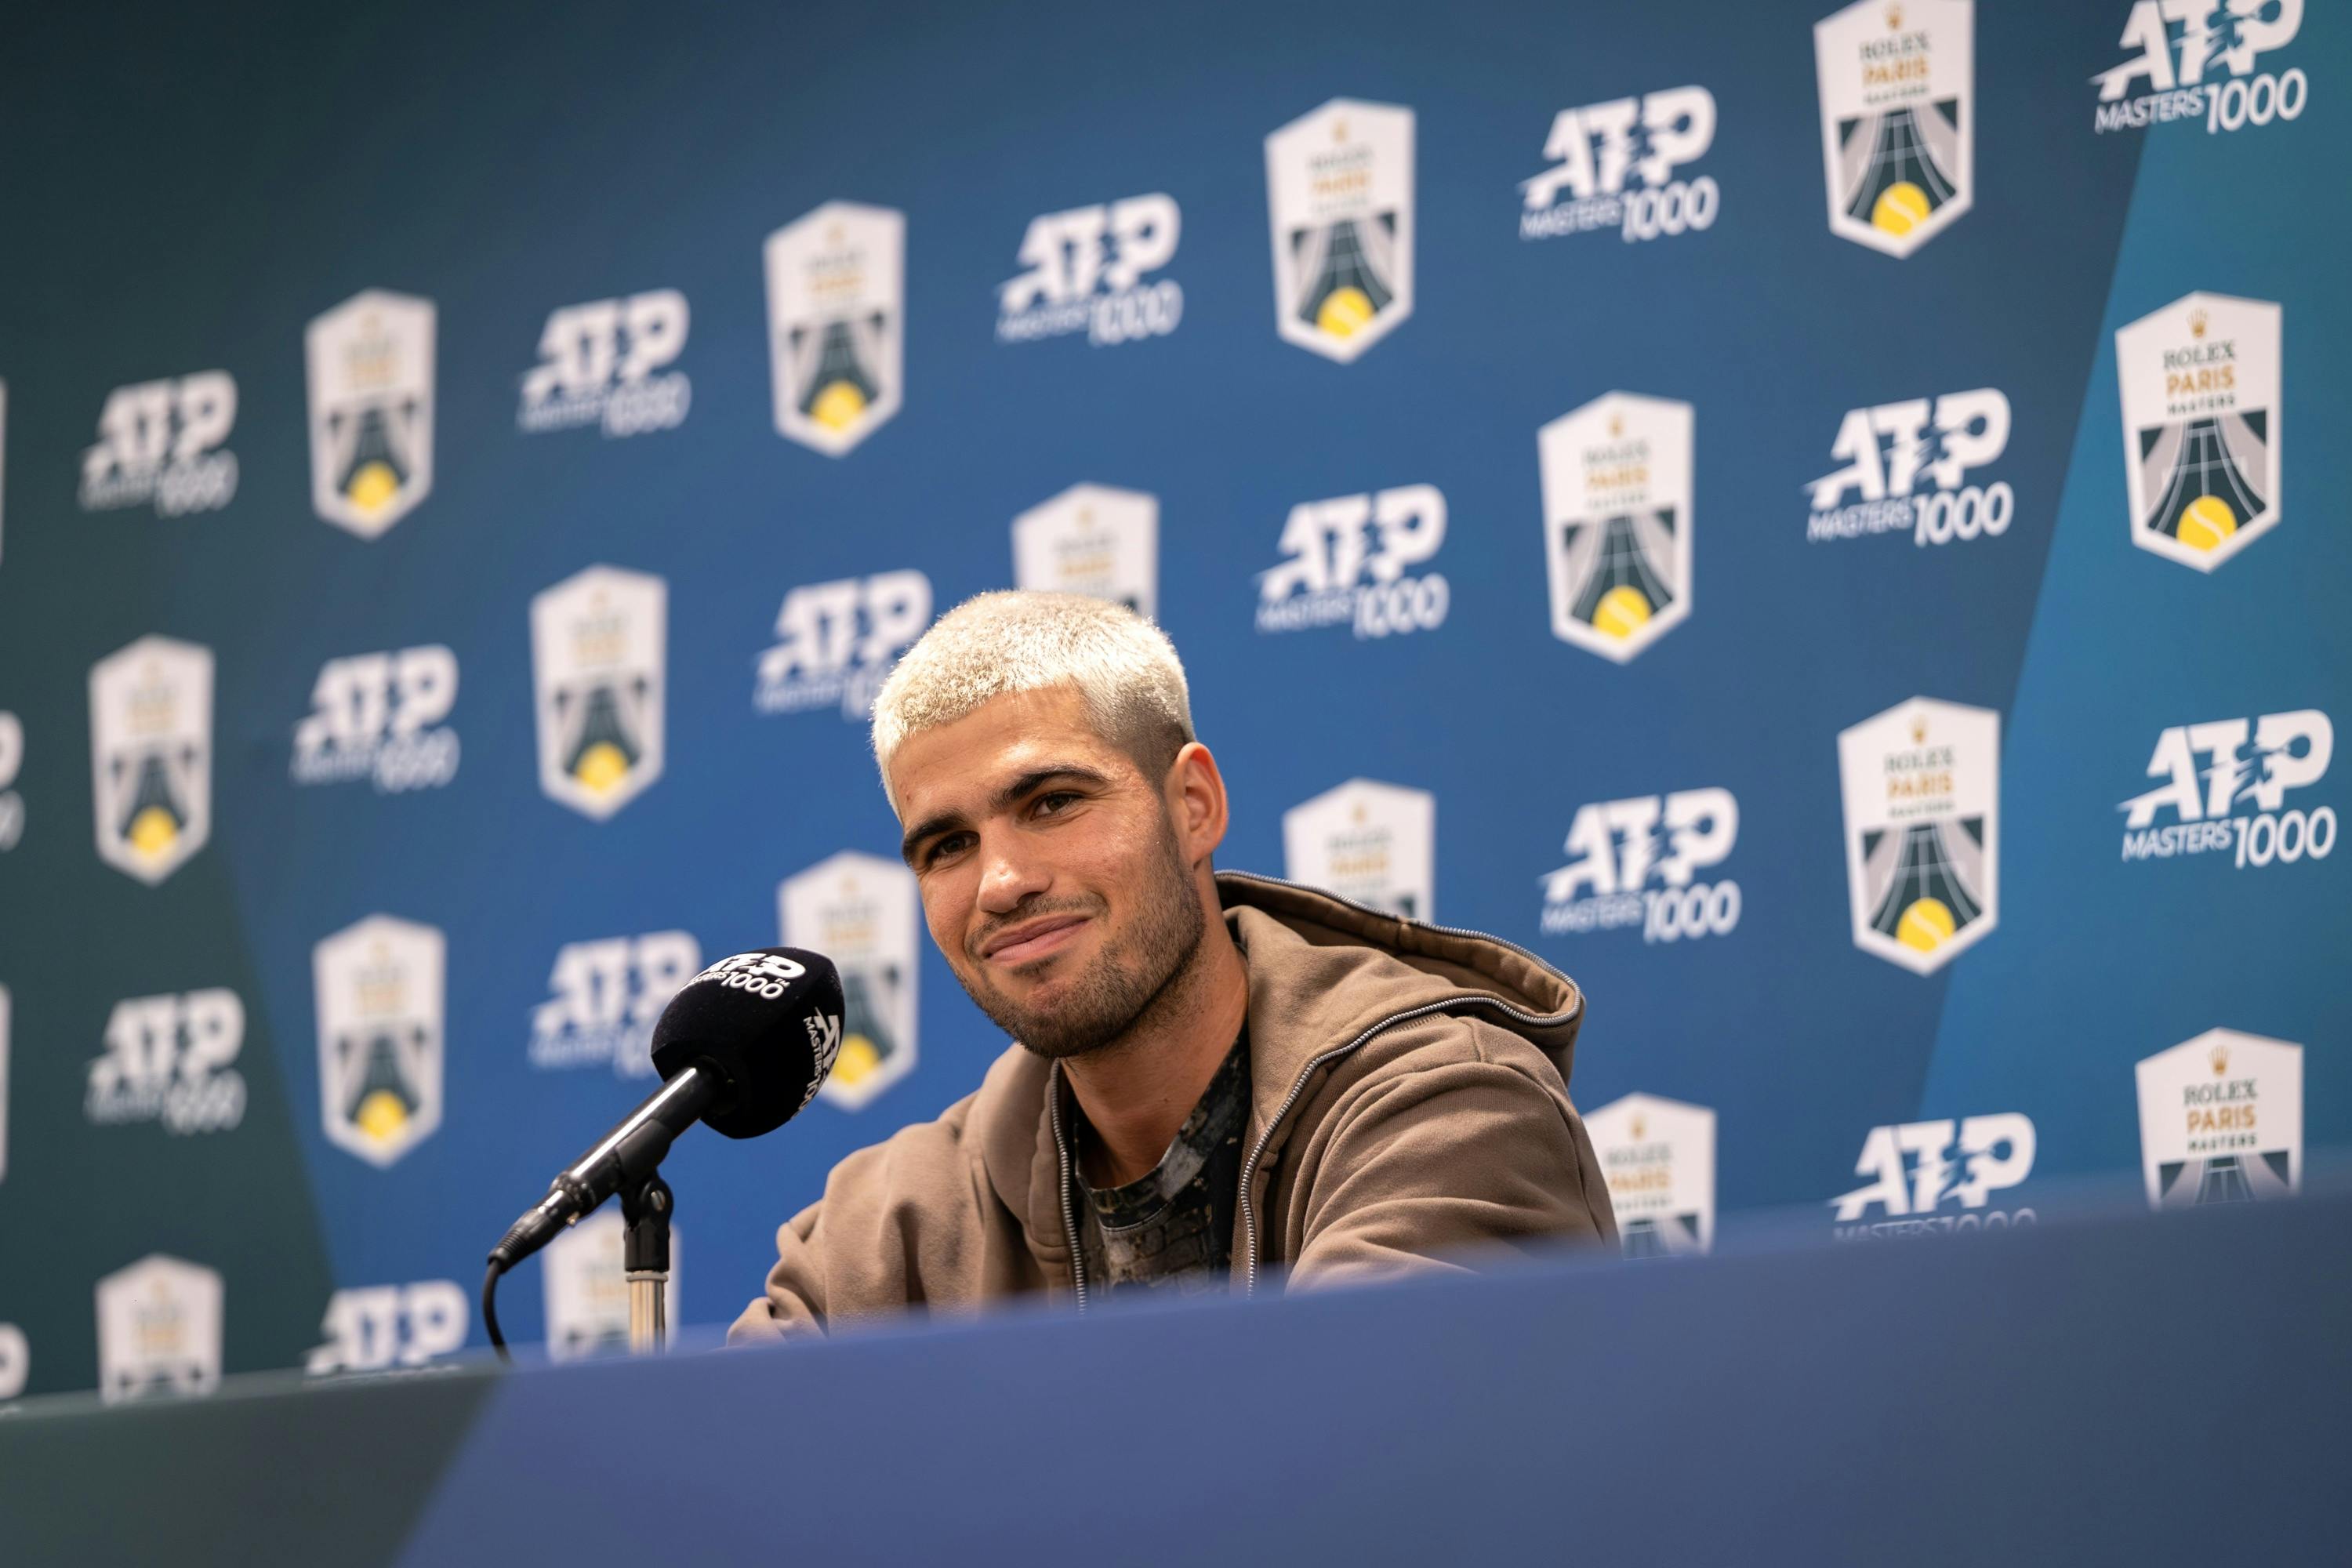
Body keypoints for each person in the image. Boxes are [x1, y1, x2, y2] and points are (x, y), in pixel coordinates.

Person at [729, 591, 1613, 1339]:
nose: (999, 882)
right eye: (948, 844)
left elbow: (1350, 1474)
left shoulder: (1449, 1107)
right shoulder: (889, 1226)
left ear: (1193, 804)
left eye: (1052, 801)